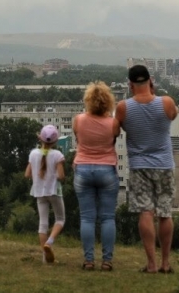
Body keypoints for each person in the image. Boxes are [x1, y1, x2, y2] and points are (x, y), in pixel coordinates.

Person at [115, 64, 178, 274]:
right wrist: (155, 94)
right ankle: (165, 263)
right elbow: (173, 115)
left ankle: (151, 264)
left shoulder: (123, 107)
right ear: (150, 80)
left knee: (146, 212)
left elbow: (117, 128)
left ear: (130, 84)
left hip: (139, 165)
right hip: (164, 165)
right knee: (165, 213)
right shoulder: (166, 102)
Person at [72, 80, 120, 271]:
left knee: (87, 218)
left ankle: (88, 260)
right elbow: (113, 140)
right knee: (108, 218)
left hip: (83, 169)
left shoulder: (79, 120)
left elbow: (78, 137)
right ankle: (107, 261)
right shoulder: (113, 123)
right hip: (107, 170)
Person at [25, 124, 66, 264]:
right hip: (54, 191)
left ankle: (45, 258)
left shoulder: (33, 153)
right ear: (55, 141)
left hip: (39, 192)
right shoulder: (58, 155)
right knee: (60, 219)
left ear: (40, 138)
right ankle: (50, 241)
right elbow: (61, 176)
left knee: (43, 224)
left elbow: (27, 174)